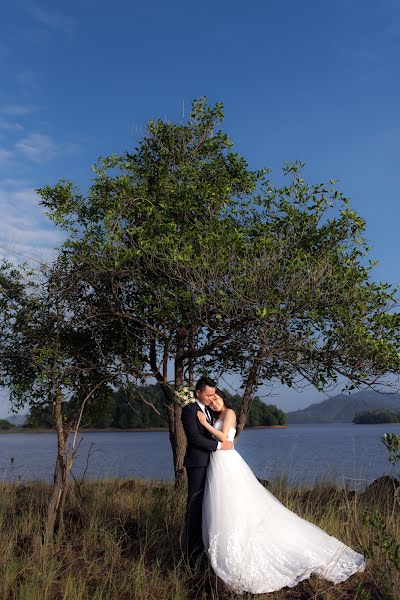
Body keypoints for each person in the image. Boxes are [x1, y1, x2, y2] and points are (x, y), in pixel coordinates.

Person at [197, 390, 366, 595]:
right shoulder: (217, 416)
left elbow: (224, 438)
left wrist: (205, 425)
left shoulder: (230, 413)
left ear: (223, 398)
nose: (214, 402)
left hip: (227, 462)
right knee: (227, 506)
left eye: (217, 398)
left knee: (234, 502)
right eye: (211, 399)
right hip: (219, 462)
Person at [181, 376, 233, 564]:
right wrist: (219, 447)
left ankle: (206, 548)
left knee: (210, 507)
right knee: (194, 506)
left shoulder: (210, 411)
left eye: (214, 395)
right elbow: (194, 439)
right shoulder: (189, 410)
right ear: (198, 393)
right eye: (209, 395)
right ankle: (192, 553)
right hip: (198, 464)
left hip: (213, 464)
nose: (212, 398)